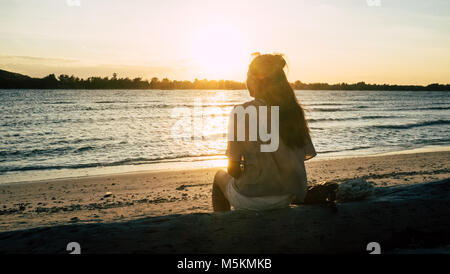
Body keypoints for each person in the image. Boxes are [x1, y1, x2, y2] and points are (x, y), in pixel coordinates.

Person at [212, 53, 317, 212]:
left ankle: (223, 228)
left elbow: (232, 170)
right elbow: (300, 156)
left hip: (252, 197)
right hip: (286, 195)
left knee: (219, 177)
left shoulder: (242, 112)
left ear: (256, 79)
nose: (246, 82)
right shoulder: (293, 111)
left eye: (247, 77)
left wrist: (248, 169)